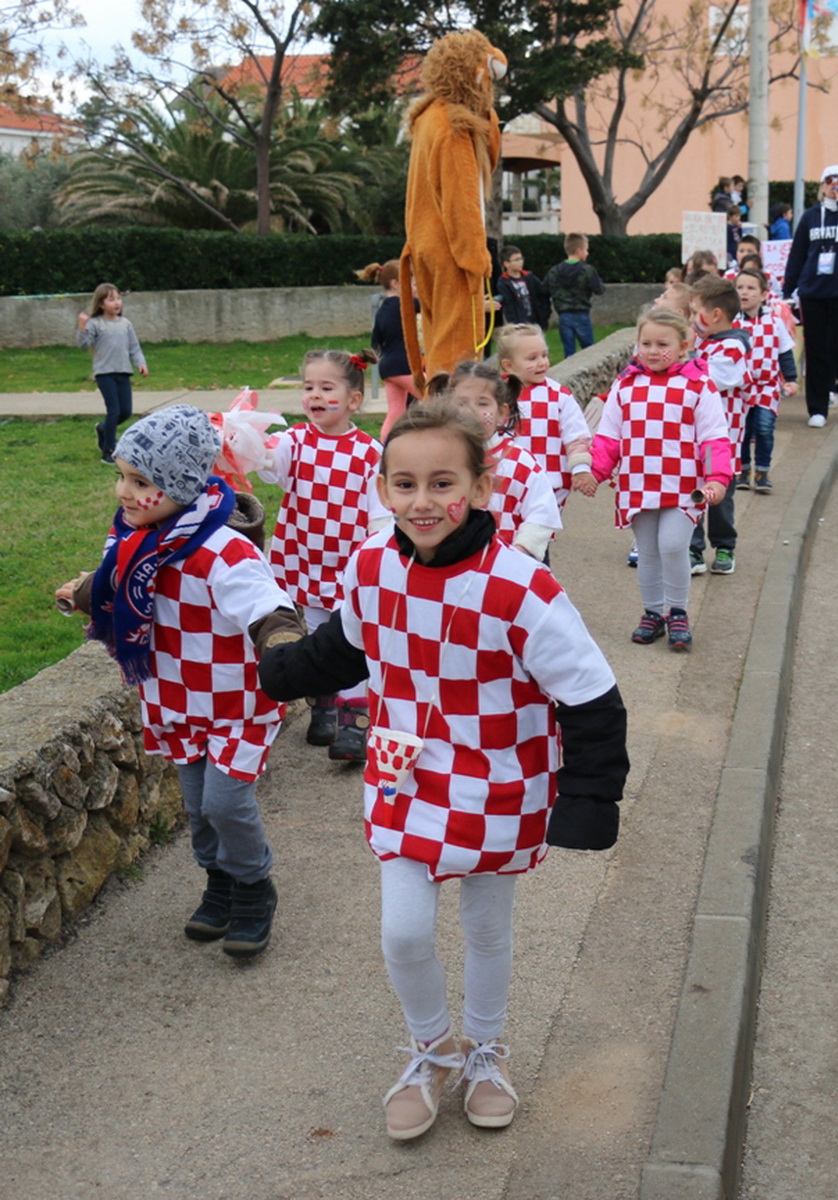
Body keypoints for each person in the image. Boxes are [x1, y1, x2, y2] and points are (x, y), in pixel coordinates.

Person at [255, 400, 629, 1140]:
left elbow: (592, 699)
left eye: (441, 483)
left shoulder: (522, 587)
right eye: (403, 484)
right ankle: (432, 1049)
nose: (421, 502)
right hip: (405, 774)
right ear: (383, 489)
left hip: (501, 779)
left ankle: (486, 1052)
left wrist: (587, 801)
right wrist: (280, 669)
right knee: (403, 932)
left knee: (487, 926)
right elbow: (345, 649)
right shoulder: (368, 564)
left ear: (482, 488)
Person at [54, 405, 296, 959]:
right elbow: (117, 584)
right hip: (176, 701)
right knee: (197, 806)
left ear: (180, 484)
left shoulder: (221, 551)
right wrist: (85, 592)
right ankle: (220, 882)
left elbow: (267, 605)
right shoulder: (138, 540)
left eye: (140, 481)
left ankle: (255, 886)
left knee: (226, 803)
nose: (123, 491)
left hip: (236, 703)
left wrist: (281, 643)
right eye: (122, 477)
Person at [258, 349, 390, 761]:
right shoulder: (295, 440)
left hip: (349, 564)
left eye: (326, 387)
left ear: (353, 399)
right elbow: (267, 460)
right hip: (306, 558)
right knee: (317, 636)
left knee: (351, 636)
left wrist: (376, 555)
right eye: (308, 387)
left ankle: (355, 719)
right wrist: (245, 438)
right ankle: (324, 708)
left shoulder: (370, 453)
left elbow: (381, 513)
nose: (314, 395)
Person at [591, 305, 732, 649]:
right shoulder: (625, 385)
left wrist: (717, 477)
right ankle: (653, 613)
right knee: (649, 551)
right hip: (639, 484)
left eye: (662, 344)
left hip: (684, 485)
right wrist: (595, 472)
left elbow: (714, 435)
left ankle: (678, 611)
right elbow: (609, 435)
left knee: (672, 545)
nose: (652, 351)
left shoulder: (699, 385)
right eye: (646, 344)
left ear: (684, 344)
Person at [426, 359, 562, 561]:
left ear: (502, 413)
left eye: (482, 403)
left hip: (511, 568)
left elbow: (542, 515)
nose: (470, 411)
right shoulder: (436, 459)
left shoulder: (520, 462)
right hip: (452, 568)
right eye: (461, 403)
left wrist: (519, 555)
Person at [782, 163, 838, 428]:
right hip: (813, 294)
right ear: (821, 185)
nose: (834, 185)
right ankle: (817, 408)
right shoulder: (811, 217)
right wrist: (788, 290)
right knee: (817, 352)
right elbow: (797, 254)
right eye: (829, 181)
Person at [494, 323, 595, 514]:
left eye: (544, 355)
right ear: (508, 365)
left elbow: (576, 435)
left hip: (551, 482)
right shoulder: (496, 395)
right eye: (532, 358)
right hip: (507, 481)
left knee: (539, 535)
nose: (542, 362)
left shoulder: (559, 395)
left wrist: (581, 468)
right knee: (509, 532)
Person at [689, 276, 752, 575]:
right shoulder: (706, 344)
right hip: (694, 437)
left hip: (721, 440)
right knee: (692, 489)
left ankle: (725, 545)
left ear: (715, 315)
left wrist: (685, 359)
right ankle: (694, 549)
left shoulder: (732, 347)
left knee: (720, 495)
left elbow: (714, 377)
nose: (690, 320)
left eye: (693, 312)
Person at [733, 268, 799, 494]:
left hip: (766, 387)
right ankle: (742, 470)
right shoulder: (731, 323)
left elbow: (784, 352)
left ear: (763, 294)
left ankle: (762, 472)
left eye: (751, 288)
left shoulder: (774, 321)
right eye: (739, 288)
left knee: (763, 427)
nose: (744, 292)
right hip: (739, 389)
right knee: (741, 430)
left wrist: (790, 379)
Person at [76, 282, 149, 465]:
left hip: (123, 372)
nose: (116, 303)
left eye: (118, 298)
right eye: (111, 299)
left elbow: (134, 347)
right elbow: (83, 345)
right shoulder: (95, 324)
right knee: (114, 411)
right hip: (104, 373)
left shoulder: (125, 324)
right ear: (101, 304)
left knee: (125, 411)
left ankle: (103, 428)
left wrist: (140, 363)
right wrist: (82, 328)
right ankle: (109, 450)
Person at [370, 261, 419, 441]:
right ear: (396, 284)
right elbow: (435, 310)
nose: (415, 288)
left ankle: (384, 448)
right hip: (403, 365)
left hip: (387, 367)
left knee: (396, 412)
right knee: (435, 398)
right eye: (411, 282)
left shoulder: (382, 309)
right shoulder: (407, 305)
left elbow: (375, 342)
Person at [545, 233, 605, 357]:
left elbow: (544, 288)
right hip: (581, 313)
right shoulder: (587, 270)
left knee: (569, 351)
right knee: (589, 350)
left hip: (563, 315)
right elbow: (599, 290)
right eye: (586, 250)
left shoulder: (554, 271)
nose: (587, 253)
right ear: (579, 250)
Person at [495, 244, 551, 328]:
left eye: (521, 258)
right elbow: (509, 305)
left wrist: (544, 314)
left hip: (537, 321)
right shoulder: (503, 282)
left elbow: (543, 294)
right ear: (506, 264)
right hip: (519, 324)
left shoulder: (530, 277)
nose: (521, 262)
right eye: (516, 260)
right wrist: (515, 322)